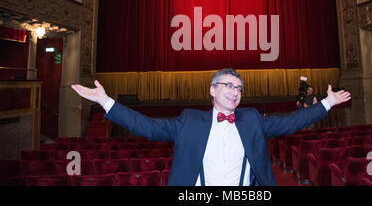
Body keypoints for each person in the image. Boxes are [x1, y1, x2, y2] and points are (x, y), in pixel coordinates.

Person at [71, 68, 351, 186]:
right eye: (228, 85)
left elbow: (292, 121)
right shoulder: (190, 120)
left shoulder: (252, 118)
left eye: (239, 87)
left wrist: (326, 102)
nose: (235, 91)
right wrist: (106, 101)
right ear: (212, 90)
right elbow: (147, 127)